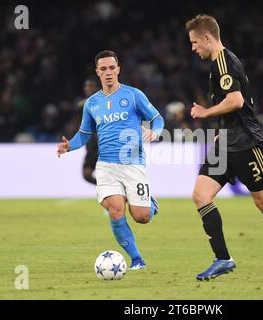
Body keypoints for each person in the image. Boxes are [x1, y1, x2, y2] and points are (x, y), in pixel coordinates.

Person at [186, 14, 263, 281]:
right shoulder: (217, 64)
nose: (193, 48)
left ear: (207, 37)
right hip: (227, 140)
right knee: (201, 195)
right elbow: (231, 107)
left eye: (194, 42)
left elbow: (236, 100)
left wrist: (205, 113)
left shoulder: (224, 61)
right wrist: (219, 132)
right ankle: (222, 259)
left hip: (247, 141)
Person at [57, 50, 164, 270]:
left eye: (111, 68)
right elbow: (85, 133)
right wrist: (69, 146)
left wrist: (156, 131)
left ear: (118, 69)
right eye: (103, 69)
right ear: (97, 72)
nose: (108, 72)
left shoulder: (134, 95)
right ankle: (137, 260)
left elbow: (157, 118)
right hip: (106, 165)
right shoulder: (92, 103)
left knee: (141, 217)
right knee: (115, 209)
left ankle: (150, 204)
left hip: (133, 163)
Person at [77, 78, 99, 185]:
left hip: (102, 145)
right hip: (90, 145)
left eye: (90, 86)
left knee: (108, 173)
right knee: (86, 174)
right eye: (86, 86)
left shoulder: (103, 103)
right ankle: (108, 187)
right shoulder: (82, 105)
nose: (87, 88)